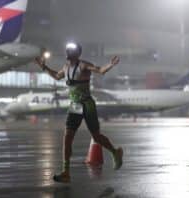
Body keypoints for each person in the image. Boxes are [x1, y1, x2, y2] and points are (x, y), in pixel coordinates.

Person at [34, 42, 123, 183]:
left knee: (96, 136)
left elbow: (100, 70)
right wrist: (44, 67)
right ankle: (66, 172)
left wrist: (110, 65)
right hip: (75, 106)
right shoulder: (66, 67)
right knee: (67, 137)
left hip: (87, 105)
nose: (67, 52)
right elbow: (57, 76)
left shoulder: (83, 65)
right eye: (67, 50)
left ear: (77, 53)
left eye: (70, 50)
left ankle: (115, 152)